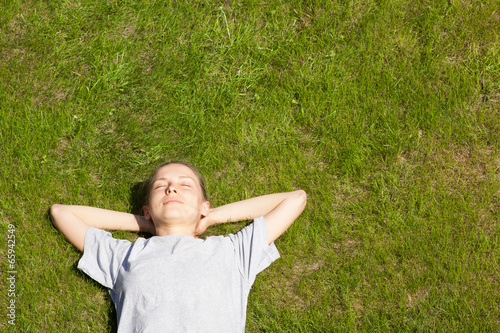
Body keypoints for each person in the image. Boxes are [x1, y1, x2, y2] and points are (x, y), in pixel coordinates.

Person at [50, 161, 307, 332]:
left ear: (204, 205)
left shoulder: (233, 252)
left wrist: (212, 216)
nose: (171, 188)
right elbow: (61, 212)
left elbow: (295, 199)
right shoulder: (125, 256)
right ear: (147, 209)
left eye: (185, 185)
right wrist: (145, 224)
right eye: (161, 186)